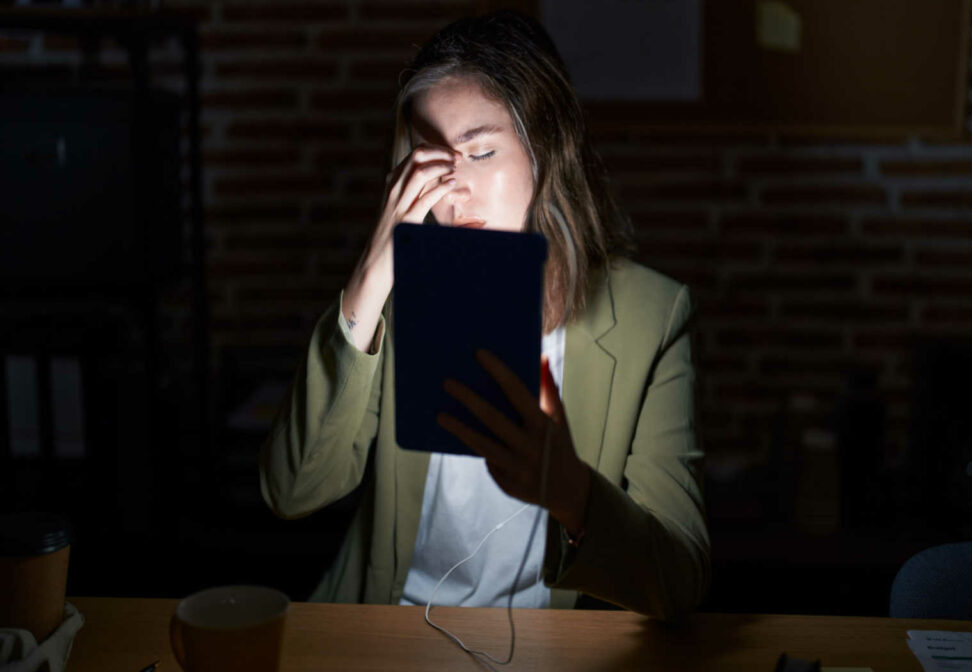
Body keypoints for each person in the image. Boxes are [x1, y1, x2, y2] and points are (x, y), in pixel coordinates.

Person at [258, 10, 709, 622]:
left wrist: (571, 494)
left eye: (481, 151)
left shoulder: (650, 317)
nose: (453, 188)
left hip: (550, 647)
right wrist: (368, 281)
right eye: (430, 157)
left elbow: (679, 582)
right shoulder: (394, 289)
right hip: (381, 634)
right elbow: (292, 492)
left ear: (548, 150)